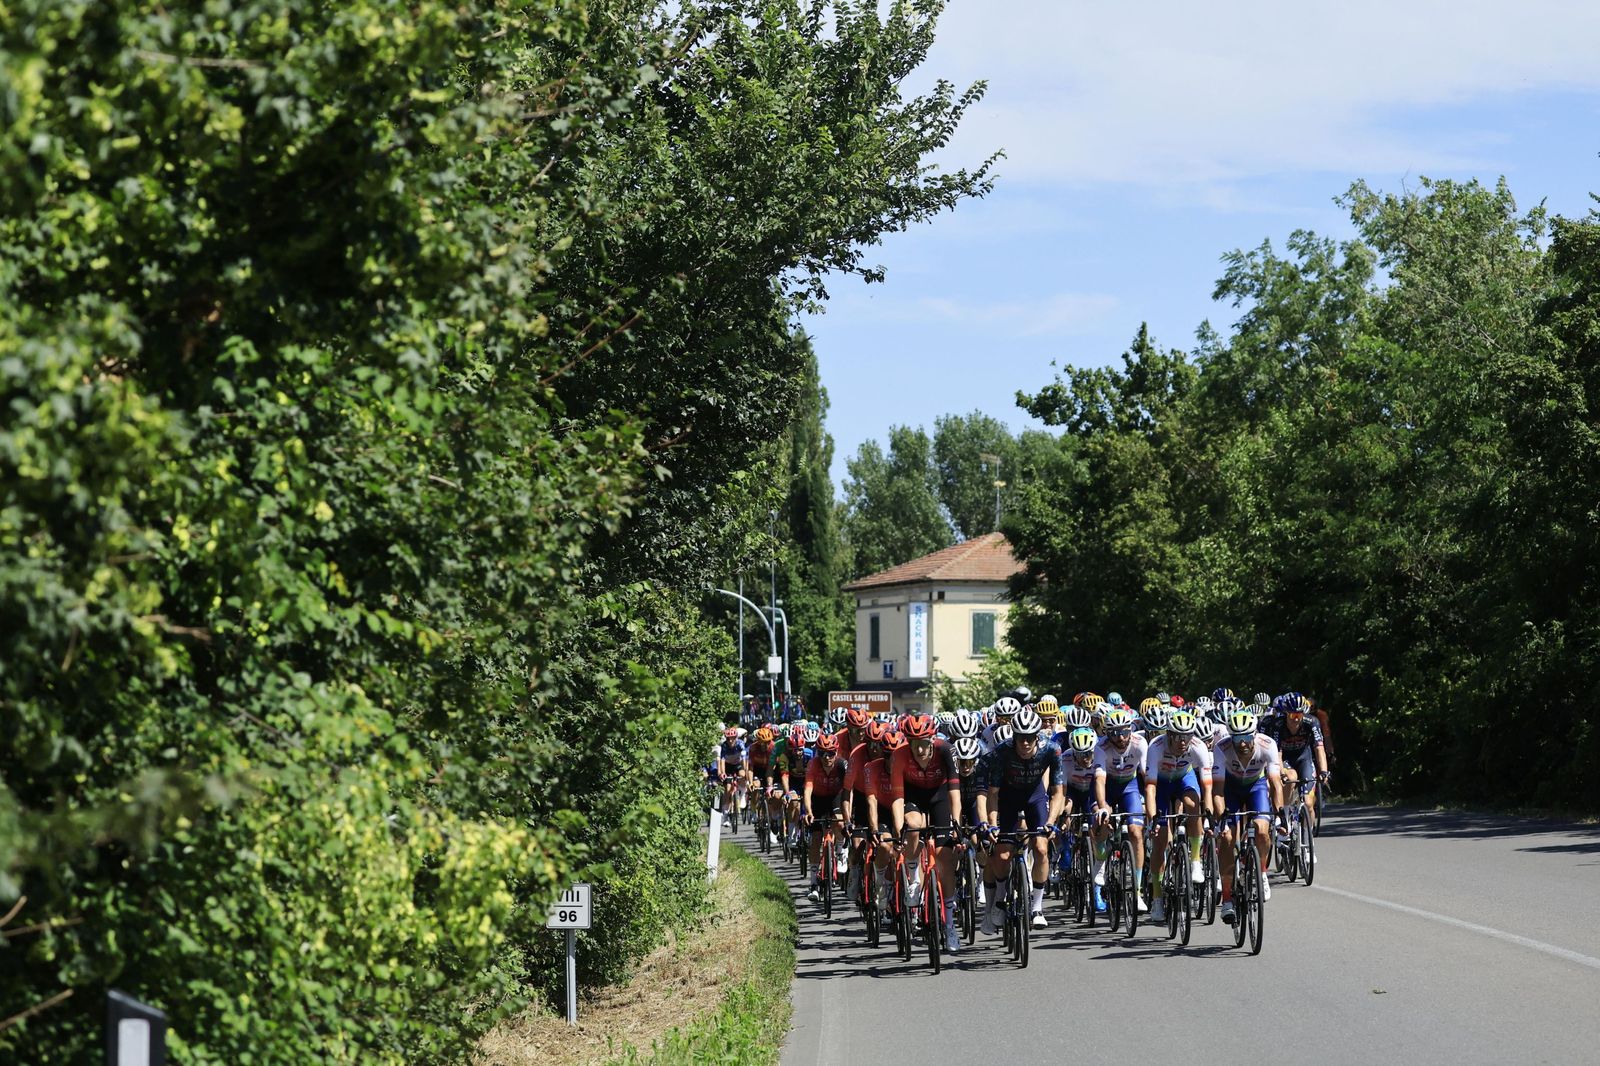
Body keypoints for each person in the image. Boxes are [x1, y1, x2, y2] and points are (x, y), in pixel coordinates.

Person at [979, 708, 1064, 932]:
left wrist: (1052, 821)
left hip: (1035, 796)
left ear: (1037, 736)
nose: (1025, 743)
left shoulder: (1052, 750)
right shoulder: (1002, 752)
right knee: (1003, 853)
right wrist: (993, 824)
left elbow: (1057, 793)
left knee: (1041, 848)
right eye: (1020, 738)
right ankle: (999, 896)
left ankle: (1036, 907)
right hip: (1007, 798)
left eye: (1029, 738)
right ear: (1014, 736)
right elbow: (993, 794)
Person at [889, 714, 963, 953]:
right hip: (912, 796)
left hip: (939, 796)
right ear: (907, 742)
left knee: (945, 858)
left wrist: (956, 822)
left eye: (924, 743)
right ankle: (913, 875)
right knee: (912, 824)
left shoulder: (946, 750)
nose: (919, 749)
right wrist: (899, 827)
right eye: (914, 743)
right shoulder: (899, 755)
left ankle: (950, 925)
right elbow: (898, 797)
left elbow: (954, 792)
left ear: (933, 739)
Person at [1143, 708, 1213, 923]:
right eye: (1178, 736)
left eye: (1187, 736)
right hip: (1162, 786)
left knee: (1194, 804)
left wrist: (1208, 814)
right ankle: (1156, 898)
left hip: (1184, 778)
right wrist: (1154, 817)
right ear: (1169, 735)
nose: (1183, 741)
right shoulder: (1155, 747)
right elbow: (1150, 788)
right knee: (1161, 841)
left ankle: (1194, 861)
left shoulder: (1198, 747)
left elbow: (1207, 786)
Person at [1214, 708, 1282, 923]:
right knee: (1226, 838)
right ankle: (1227, 899)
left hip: (1256, 786)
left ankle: (1261, 871)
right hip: (1230, 790)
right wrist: (1221, 816)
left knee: (1262, 829)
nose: (1241, 743)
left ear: (1253, 734)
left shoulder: (1267, 744)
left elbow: (1275, 783)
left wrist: (1279, 813)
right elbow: (1217, 789)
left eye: (1245, 737)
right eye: (1236, 738)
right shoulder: (1221, 748)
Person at [1091, 708, 1148, 911]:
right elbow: (1099, 779)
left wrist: (1150, 805)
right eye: (1115, 733)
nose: (1121, 737)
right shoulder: (1100, 747)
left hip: (1129, 787)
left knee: (1136, 832)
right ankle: (1100, 862)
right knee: (1101, 822)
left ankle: (1137, 891)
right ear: (1107, 733)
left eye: (1125, 731)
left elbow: (1147, 778)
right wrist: (1102, 806)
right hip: (1106, 787)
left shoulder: (1140, 743)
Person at [1267, 694, 1328, 829]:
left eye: (1299, 716)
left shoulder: (1312, 722)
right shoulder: (1277, 725)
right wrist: (1281, 772)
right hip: (1285, 759)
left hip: (1303, 758)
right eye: (1292, 716)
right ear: (1285, 714)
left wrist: (1323, 771)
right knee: (1290, 777)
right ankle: (1286, 819)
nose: (1296, 719)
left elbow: (1319, 748)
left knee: (1308, 802)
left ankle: (1307, 837)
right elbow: (1277, 753)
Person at [803, 733, 848, 902]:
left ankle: (840, 850)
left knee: (839, 822)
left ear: (836, 752)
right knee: (815, 839)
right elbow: (807, 791)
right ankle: (814, 883)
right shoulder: (813, 764)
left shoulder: (842, 764)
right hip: (818, 799)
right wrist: (808, 812)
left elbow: (848, 791)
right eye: (822, 753)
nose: (826, 757)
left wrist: (848, 814)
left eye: (830, 753)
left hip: (836, 797)